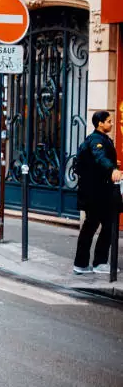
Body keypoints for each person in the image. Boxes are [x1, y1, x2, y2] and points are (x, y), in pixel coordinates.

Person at [73, 110, 122, 275]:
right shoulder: (96, 140)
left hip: (97, 191)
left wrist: (113, 164)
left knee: (96, 225)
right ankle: (95, 263)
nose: (111, 123)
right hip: (96, 193)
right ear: (100, 123)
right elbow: (99, 157)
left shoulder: (102, 138)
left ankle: (86, 263)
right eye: (109, 121)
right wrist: (112, 169)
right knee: (99, 225)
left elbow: (99, 160)